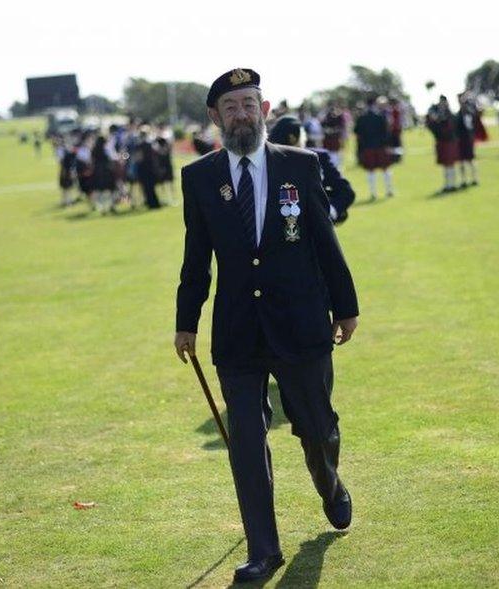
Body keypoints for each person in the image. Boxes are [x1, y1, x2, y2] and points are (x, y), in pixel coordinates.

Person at [174, 68, 359, 584]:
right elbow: (196, 258)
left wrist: (345, 307)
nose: (241, 114)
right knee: (248, 443)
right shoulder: (200, 177)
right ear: (215, 117)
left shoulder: (302, 164)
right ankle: (263, 550)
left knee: (317, 427)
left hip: (301, 323)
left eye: (249, 104)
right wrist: (186, 322)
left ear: (266, 109)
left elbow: (325, 240)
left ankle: (330, 483)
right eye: (230, 107)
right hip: (237, 332)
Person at [269, 115, 356, 224]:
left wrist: (329, 213)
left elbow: (346, 191)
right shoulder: (268, 162)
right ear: (293, 137)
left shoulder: (318, 157)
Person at [353, 97, 393, 200]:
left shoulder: (361, 118)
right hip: (381, 147)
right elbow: (387, 133)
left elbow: (357, 134)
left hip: (367, 147)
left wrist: (360, 149)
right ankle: (389, 190)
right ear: (375, 104)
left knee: (370, 171)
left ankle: (373, 193)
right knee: (385, 169)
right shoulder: (381, 116)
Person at [426, 95, 460, 192]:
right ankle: (447, 185)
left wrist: (439, 118)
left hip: (450, 141)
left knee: (451, 164)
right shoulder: (436, 112)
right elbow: (431, 124)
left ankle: (452, 184)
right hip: (441, 141)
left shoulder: (450, 113)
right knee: (445, 165)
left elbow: (451, 125)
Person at [456, 93, 479, 187]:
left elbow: (470, 127)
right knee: (461, 161)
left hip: (468, 140)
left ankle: (474, 178)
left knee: (470, 160)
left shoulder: (469, 113)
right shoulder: (458, 114)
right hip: (460, 140)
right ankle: (463, 180)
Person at [320, 103, 346, 169]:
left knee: (335, 156)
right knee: (332, 156)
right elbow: (322, 127)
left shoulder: (338, 117)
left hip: (334, 139)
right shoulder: (326, 118)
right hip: (329, 140)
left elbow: (341, 128)